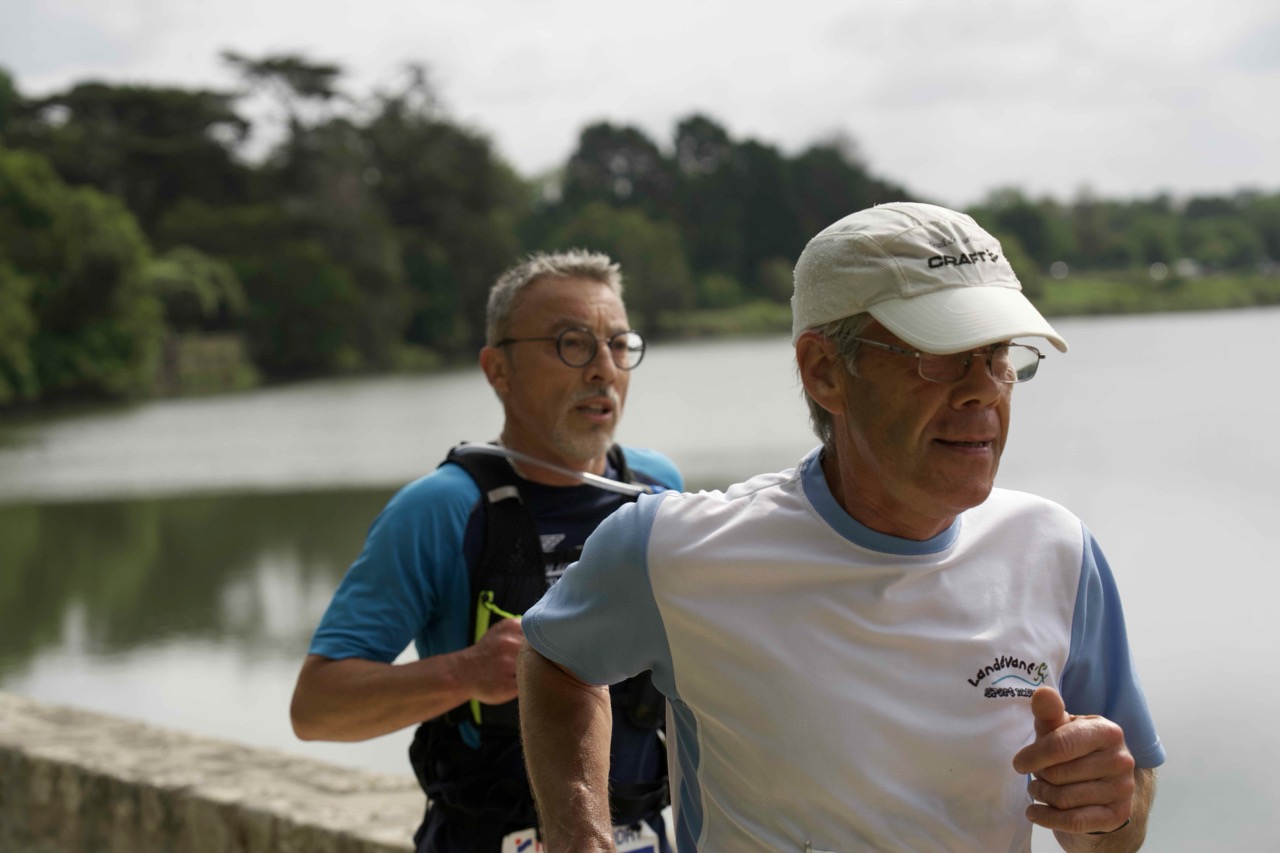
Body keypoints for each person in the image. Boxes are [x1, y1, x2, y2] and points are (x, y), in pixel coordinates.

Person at [517, 202, 1165, 852]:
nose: (984, 390)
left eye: (997, 354)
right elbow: (555, 660)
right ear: (824, 370)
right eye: (940, 354)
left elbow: (1115, 827)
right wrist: (579, 833)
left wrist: (1110, 810)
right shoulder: (674, 548)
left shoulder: (1058, 550)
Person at [291, 250, 682, 853]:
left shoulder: (656, 491)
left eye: (618, 344)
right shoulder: (441, 509)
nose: (603, 369)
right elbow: (316, 708)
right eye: (572, 344)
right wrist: (467, 672)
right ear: (498, 369)